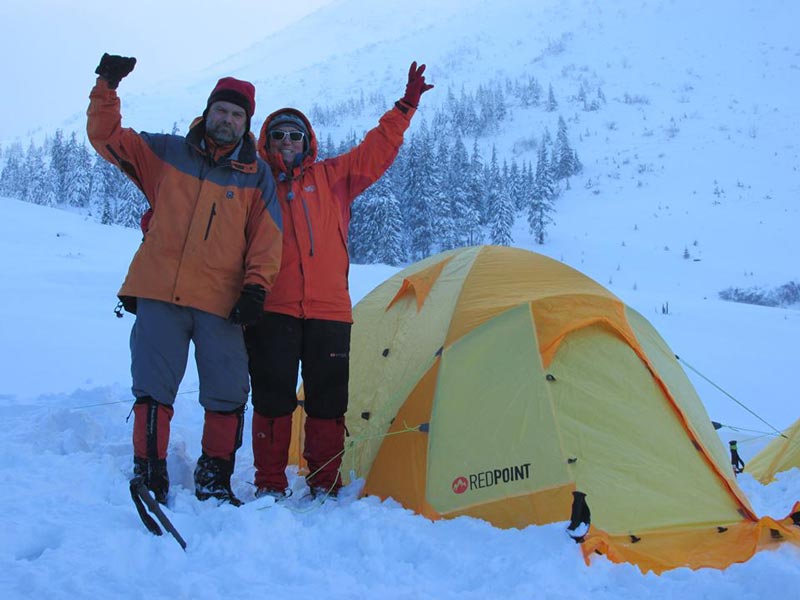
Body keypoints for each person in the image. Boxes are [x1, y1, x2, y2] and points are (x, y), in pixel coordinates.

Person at [87, 53, 283, 506]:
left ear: (245, 122)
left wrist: (257, 288)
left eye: (237, 114)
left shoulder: (258, 176)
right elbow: (105, 137)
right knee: (153, 388)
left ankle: (215, 476)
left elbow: (267, 240)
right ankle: (150, 470)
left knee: (228, 392)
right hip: (160, 292)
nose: (227, 120)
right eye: (222, 110)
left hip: (222, 301)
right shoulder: (166, 153)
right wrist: (106, 87)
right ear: (208, 110)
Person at [247, 61, 433, 500]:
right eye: (279, 135)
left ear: (307, 141)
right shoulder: (256, 182)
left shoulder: (332, 178)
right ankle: (270, 483)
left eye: (295, 134)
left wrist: (404, 107)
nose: (288, 141)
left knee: (328, 405)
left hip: (329, 312)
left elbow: (377, 149)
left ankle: (324, 481)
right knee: (272, 402)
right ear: (267, 142)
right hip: (273, 310)